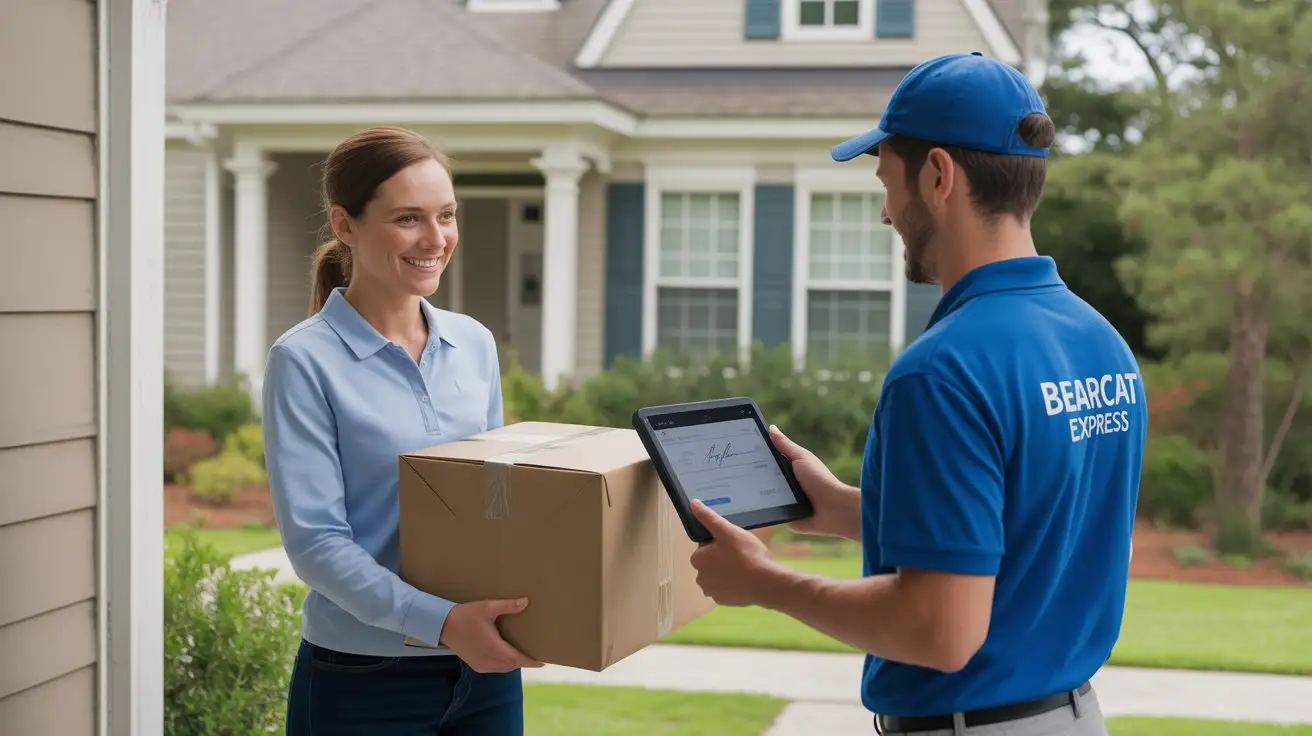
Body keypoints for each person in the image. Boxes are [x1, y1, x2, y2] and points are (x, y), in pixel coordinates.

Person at [685, 52, 1145, 736]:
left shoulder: (943, 371)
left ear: (937, 176)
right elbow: (1017, 529)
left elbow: (940, 630)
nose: (885, 213)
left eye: (886, 181)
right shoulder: (1099, 342)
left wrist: (765, 584)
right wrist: (838, 507)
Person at [262, 125, 544, 736]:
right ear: (345, 225)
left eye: (446, 215)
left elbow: (493, 499)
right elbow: (316, 544)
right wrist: (443, 622)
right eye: (408, 219)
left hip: (484, 672)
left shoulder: (473, 343)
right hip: (363, 676)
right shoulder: (305, 360)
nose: (436, 239)